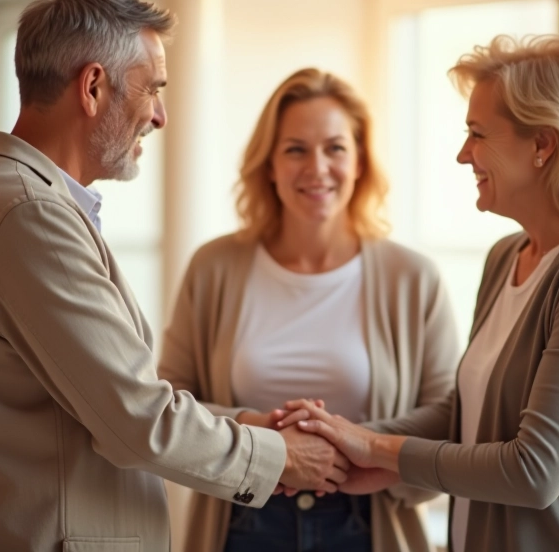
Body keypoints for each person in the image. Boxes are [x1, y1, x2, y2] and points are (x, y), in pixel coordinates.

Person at [0, 0, 346, 551]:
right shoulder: (28, 212)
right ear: (93, 86)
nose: (161, 116)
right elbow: (135, 422)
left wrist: (242, 424)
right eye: (154, 89)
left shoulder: (7, 195)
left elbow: (107, 393)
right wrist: (281, 456)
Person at [282, 34, 559, 552]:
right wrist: (341, 440)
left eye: (478, 134)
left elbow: (533, 471)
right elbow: (464, 414)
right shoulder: (508, 255)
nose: (464, 155)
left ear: (543, 144)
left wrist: (375, 447)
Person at [157, 68, 460, 552]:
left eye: (335, 148)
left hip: (368, 526)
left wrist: (349, 446)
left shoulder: (414, 277)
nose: (317, 167)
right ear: (269, 165)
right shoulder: (214, 267)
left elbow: (451, 425)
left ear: (360, 161)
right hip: (240, 522)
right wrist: (261, 436)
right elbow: (168, 404)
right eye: (296, 149)